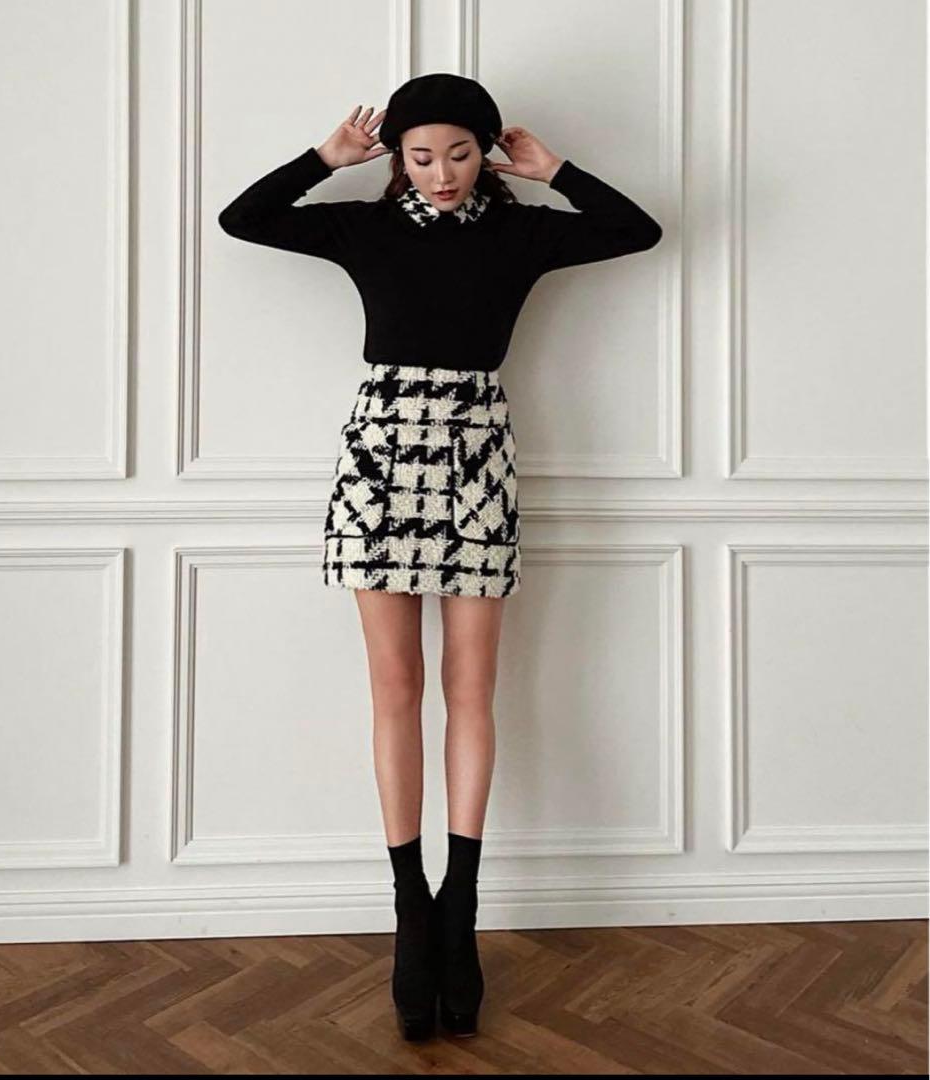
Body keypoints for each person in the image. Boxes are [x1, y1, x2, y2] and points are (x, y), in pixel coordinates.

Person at [218, 73, 662, 1042]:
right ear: (397, 157)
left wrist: (556, 171)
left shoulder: (523, 232)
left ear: (485, 151)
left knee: (472, 688)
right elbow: (242, 218)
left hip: (477, 457)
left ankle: (459, 904)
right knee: (394, 687)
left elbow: (637, 230)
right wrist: (324, 159)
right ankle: (408, 910)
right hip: (379, 456)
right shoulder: (364, 227)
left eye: (460, 153)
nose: (443, 172)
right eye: (421, 155)